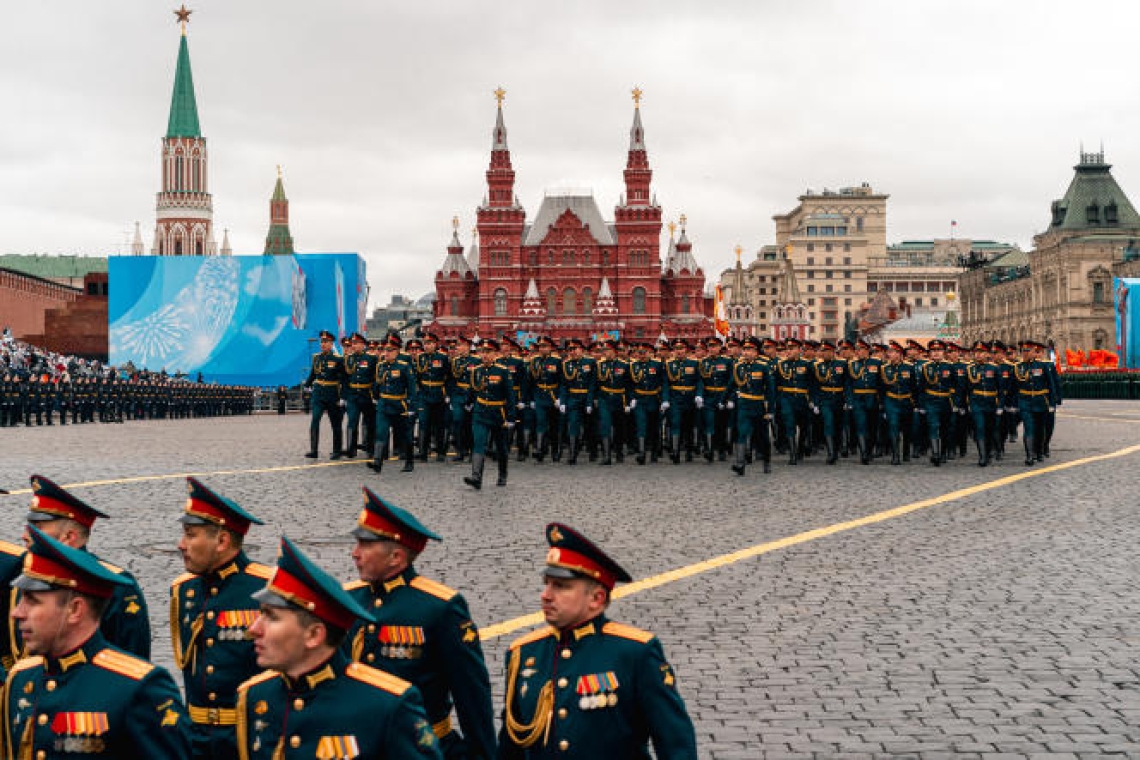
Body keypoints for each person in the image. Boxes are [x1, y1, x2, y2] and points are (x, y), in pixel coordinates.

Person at [498, 523, 697, 759]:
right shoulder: (523, 653)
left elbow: (676, 745)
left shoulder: (635, 653)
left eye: (561, 586)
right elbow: (510, 748)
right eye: (547, 584)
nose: (546, 595)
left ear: (596, 598)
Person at [235, 536, 443, 759]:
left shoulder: (388, 705)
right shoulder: (254, 695)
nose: (253, 629)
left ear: (314, 635)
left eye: (271, 617)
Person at [6, 526, 191, 758]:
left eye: (32, 601)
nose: (16, 613)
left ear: (74, 610)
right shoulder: (22, 678)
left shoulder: (138, 689)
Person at [344, 487, 497, 758]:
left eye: (365, 545)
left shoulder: (440, 608)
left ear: (396, 557)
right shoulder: (346, 599)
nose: (355, 553)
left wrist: (482, 754)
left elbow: (472, 695)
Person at [172, 477, 272, 760]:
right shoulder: (183, 590)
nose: (181, 544)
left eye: (191, 535)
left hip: (250, 737)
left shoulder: (267, 590)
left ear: (222, 540)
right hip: (196, 740)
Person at [10, 474, 151, 661]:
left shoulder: (115, 585)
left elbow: (132, 664)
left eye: (37, 528)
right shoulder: (23, 576)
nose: (24, 536)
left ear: (69, 537)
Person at [464, 340, 516, 489]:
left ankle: (502, 474)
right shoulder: (476, 370)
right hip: (480, 412)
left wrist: (511, 417)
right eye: (482, 352)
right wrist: (468, 403)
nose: (484, 355)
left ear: (495, 354)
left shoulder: (503, 371)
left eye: (488, 352)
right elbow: (473, 389)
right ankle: (476, 477)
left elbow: (510, 395)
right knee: (479, 443)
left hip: (498, 413)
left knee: (501, 446)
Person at [371, 336, 419, 474]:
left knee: (405, 435)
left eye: (390, 350)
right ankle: (377, 462)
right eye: (385, 350)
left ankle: (409, 462)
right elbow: (377, 383)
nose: (386, 353)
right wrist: (375, 397)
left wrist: (411, 407)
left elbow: (411, 388)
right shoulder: (380, 366)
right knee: (381, 433)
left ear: (397, 351)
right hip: (384, 404)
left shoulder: (404, 367)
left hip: (399, 405)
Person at [303, 330, 346, 459]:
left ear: (331, 343)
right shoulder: (316, 357)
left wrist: (343, 397)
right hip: (318, 394)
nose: (323, 344)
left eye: (326, 342)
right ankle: (314, 450)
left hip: (332, 394)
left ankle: (337, 450)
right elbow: (313, 374)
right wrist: (306, 386)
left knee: (335, 423)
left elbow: (343, 379)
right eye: (322, 341)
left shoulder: (338, 359)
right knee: (315, 421)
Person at [343, 332, 378, 459]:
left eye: (357, 343)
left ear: (363, 344)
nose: (354, 345)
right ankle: (351, 449)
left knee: (369, 422)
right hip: (353, 395)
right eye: (353, 343)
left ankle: (370, 448)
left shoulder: (371, 358)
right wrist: (344, 396)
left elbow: (376, 378)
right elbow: (346, 379)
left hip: (366, 394)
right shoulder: (349, 358)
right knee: (352, 421)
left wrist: (375, 395)